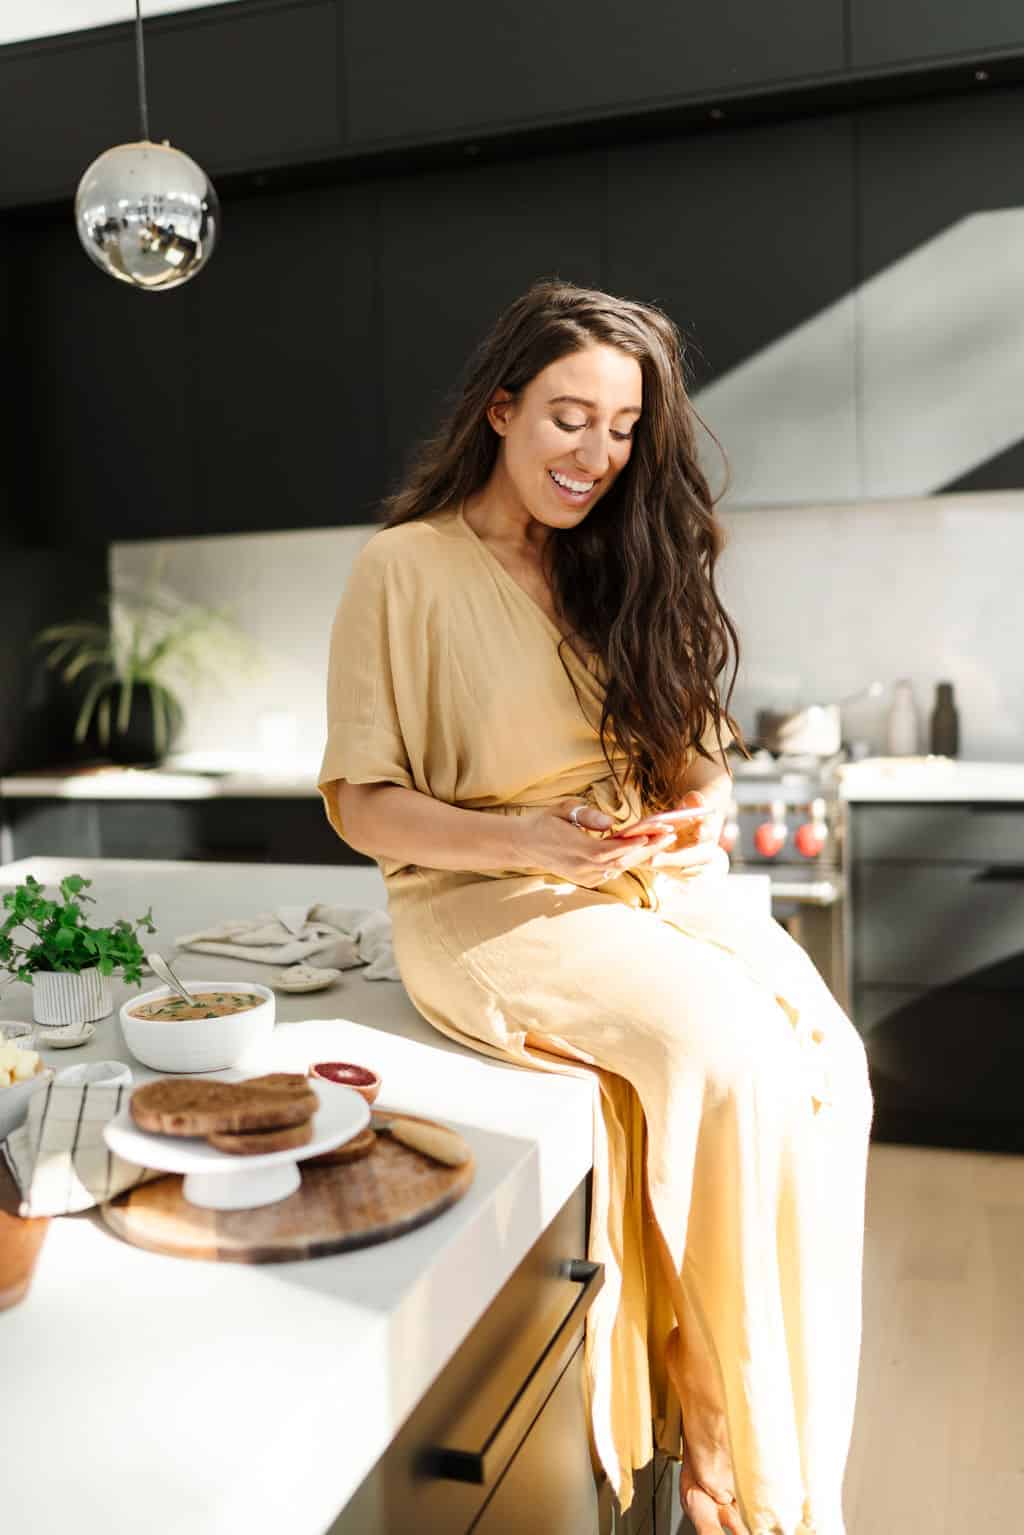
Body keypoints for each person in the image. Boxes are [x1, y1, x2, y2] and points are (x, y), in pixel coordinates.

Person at [317, 280, 873, 1535]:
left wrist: (700, 809)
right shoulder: (401, 569)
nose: (596, 456)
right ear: (500, 410)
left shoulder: (616, 557)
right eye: (570, 418)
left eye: (622, 430)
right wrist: (521, 836)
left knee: (833, 1061)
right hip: (486, 897)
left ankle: (782, 1450)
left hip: (648, 880)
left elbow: (699, 758)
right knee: (720, 1056)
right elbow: (361, 801)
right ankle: (735, 1466)